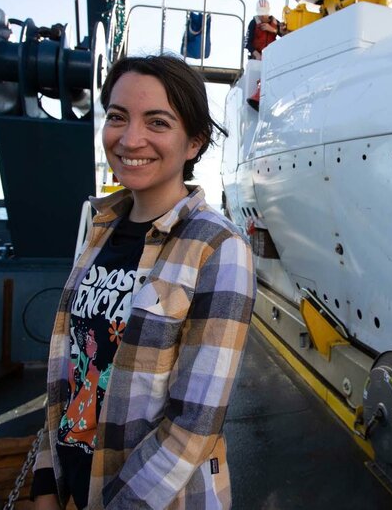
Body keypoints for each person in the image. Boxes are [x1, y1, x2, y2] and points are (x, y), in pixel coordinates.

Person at [30, 55, 256, 510]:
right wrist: (45, 484)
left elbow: (193, 424)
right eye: (117, 117)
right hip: (73, 485)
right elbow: (70, 373)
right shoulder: (101, 228)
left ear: (194, 143)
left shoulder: (218, 247)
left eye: (157, 122)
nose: (130, 139)